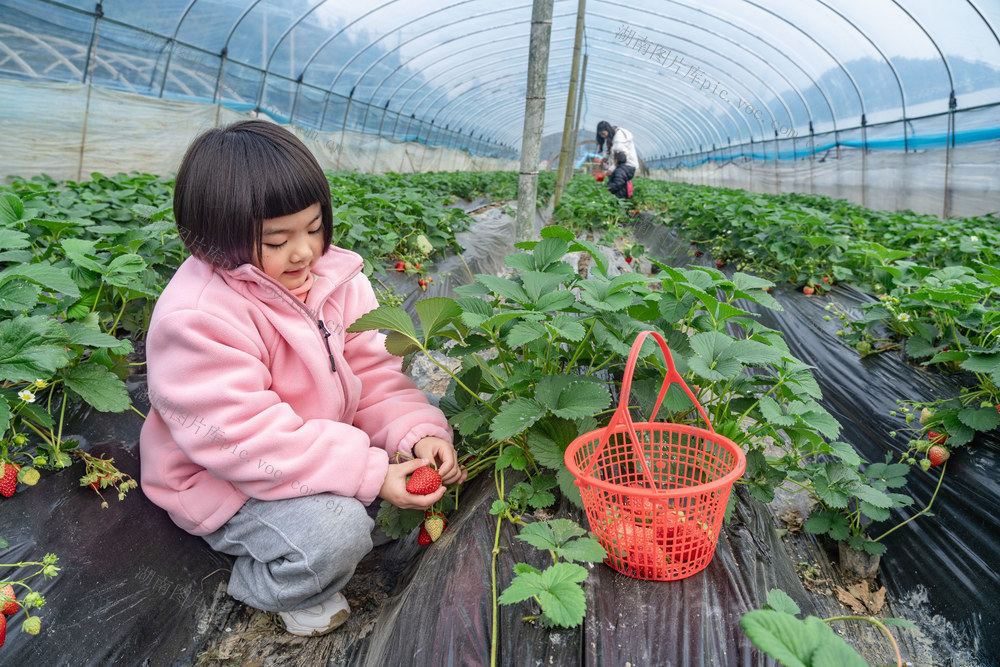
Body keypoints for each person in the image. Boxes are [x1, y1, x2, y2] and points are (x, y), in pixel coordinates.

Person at [139, 120, 465, 637]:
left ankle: (338, 515)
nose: (304, 253)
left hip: (316, 453)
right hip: (227, 481)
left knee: (406, 473)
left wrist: (416, 433)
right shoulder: (198, 317)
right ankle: (261, 581)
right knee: (335, 533)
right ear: (216, 241)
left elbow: (374, 374)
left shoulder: (337, 282)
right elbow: (243, 438)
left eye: (314, 228)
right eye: (277, 239)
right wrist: (370, 474)